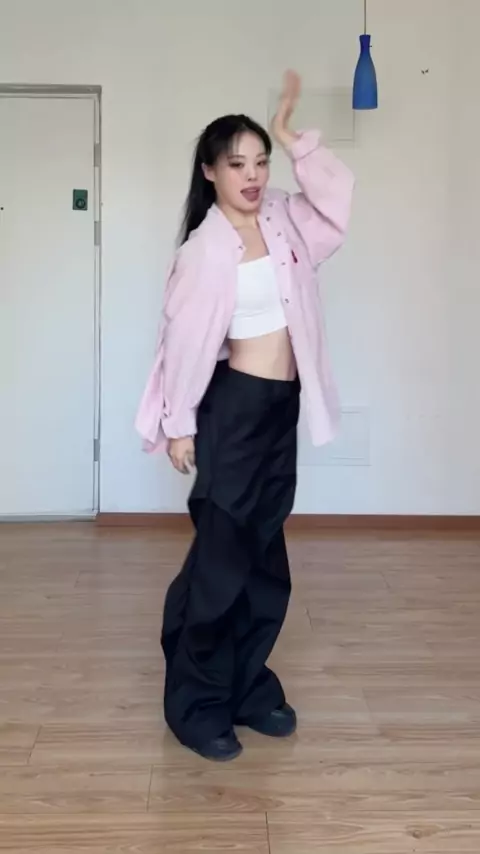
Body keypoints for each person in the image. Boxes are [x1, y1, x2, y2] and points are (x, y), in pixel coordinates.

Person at [135, 70, 354, 761]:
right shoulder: (203, 251)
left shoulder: (283, 217)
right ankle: (196, 702)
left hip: (280, 408)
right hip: (232, 411)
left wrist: (294, 140)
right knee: (221, 563)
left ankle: (247, 685)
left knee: (263, 557)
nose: (254, 175)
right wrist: (178, 424)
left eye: (261, 161)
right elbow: (181, 342)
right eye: (238, 164)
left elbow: (337, 208)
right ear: (210, 172)